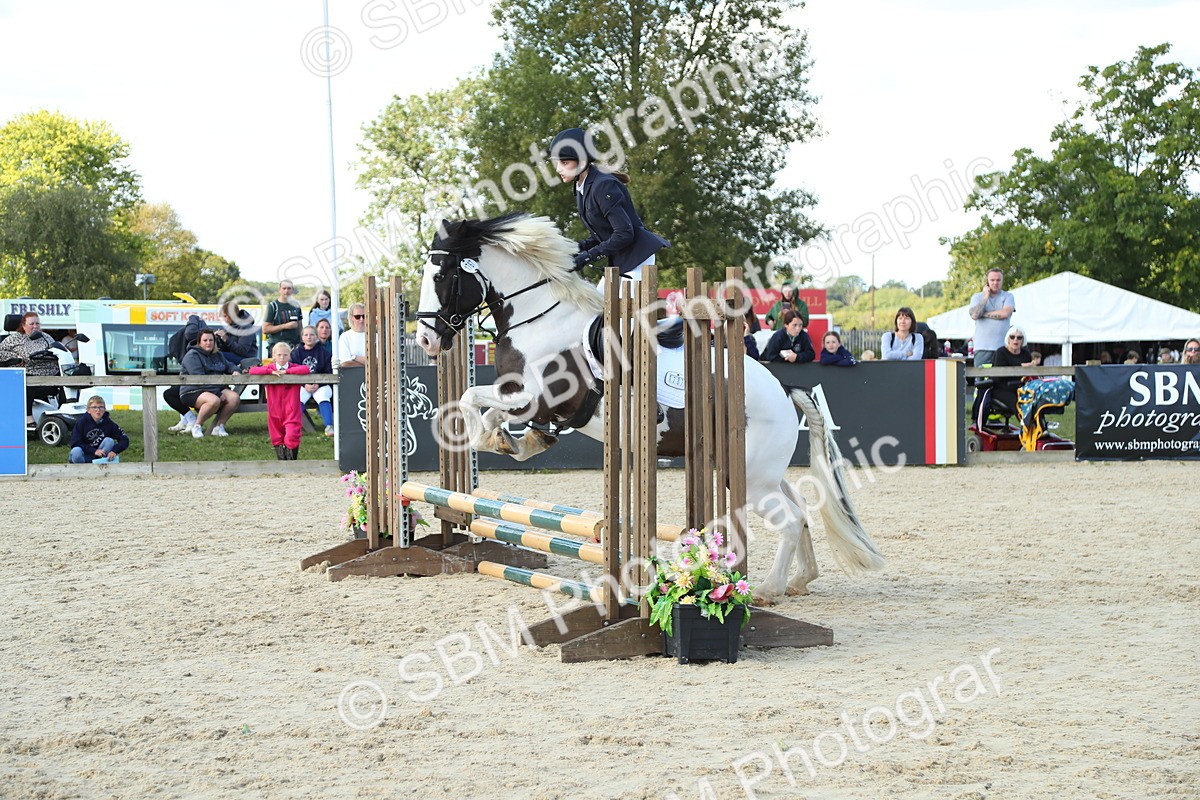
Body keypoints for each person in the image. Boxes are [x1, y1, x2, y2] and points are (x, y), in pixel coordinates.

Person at [550, 127, 670, 287]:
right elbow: (602, 234)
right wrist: (574, 248)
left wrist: (588, 257)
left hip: (636, 259)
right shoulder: (581, 188)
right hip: (619, 260)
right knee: (597, 308)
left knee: (622, 311)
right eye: (557, 163)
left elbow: (624, 233)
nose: (558, 169)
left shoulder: (603, 185)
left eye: (564, 162)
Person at [250, 343, 310, 459]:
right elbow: (253, 371)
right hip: (274, 410)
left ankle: (291, 462)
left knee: (292, 435)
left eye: (285, 355)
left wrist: (287, 373)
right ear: (274, 356)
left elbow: (305, 369)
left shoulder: (293, 368)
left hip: (291, 409)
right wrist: (270, 372)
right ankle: (282, 463)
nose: (282, 358)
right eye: (279, 355)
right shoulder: (270, 368)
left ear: (289, 356)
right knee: (277, 437)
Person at [0, 312, 61, 424]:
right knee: (26, 388)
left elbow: (58, 350)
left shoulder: (46, 337)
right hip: (28, 374)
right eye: (31, 323)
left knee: (67, 381)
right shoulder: (14, 339)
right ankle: (28, 418)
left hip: (51, 374)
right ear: (23, 325)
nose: (35, 326)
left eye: (37, 323)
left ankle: (62, 413)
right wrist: (15, 357)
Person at [180, 329, 242, 439]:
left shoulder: (218, 355)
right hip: (193, 389)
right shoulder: (192, 356)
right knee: (214, 400)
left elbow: (229, 365)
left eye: (211, 340)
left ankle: (219, 427)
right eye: (205, 340)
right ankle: (197, 426)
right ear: (199, 343)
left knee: (234, 398)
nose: (208, 343)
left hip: (215, 388)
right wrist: (217, 393)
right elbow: (199, 379)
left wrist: (235, 370)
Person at [967, 268, 1016, 366]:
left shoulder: (1008, 296)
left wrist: (984, 314)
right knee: (981, 380)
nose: (995, 283)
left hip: (1003, 348)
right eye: (992, 280)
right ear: (987, 282)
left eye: (998, 280)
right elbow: (975, 314)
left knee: (1001, 379)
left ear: (1002, 281)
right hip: (982, 347)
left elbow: (1005, 313)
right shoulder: (977, 297)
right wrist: (985, 297)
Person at [292, 325, 335, 436]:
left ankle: (329, 427)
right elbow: (293, 371)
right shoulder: (296, 353)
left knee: (322, 397)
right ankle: (293, 427)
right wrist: (304, 384)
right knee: (298, 398)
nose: (309, 337)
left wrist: (318, 383)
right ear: (302, 338)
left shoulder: (324, 353)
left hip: (321, 385)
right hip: (303, 385)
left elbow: (328, 372)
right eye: (306, 335)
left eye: (312, 334)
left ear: (316, 336)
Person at [68, 396, 129, 464]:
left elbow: (124, 439)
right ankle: (80, 471)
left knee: (109, 441)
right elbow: (75, 443)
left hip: (99, 456)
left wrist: (115, 451)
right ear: (88, 410)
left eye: (101, 407)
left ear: (104, 409)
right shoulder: (81, 422)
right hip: (83, 456)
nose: (98, 410)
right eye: (94, 407)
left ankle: (103, 465)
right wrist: (94, 451)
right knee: (76, 451)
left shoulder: (109, 423)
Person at [988, 325, 1033, 410]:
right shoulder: (1000, 352)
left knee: (1034, 399)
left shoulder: (1026, 354)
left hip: (1020, 387)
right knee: (1017, 402)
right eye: (1012, 337)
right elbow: (998, 376)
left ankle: (1038, 422)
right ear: (1008, 339)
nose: (1015, 340)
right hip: (1001, 388)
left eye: (1019, 338)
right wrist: (1020, 367)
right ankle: (1026, 422)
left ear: (1023, 340)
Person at [214, 300, 260, 369]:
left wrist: (226, 338)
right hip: (236, 356)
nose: (224, 319)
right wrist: (218, 339)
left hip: (246, 359)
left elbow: (242, 350)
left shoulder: (246, 328)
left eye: (225, 316)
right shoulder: (232, 327)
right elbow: (227, 348)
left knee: (218, 356)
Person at [263, 279, 304, 350]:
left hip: (295, 345)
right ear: (280, 290)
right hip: (277, 346)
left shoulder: (296, 305)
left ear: (293, 290)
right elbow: (265, 329)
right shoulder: (273, 306)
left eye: (289, 288)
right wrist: (285, 326)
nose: (286, 291)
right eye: (284, 288)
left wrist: (303, 342)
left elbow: (300, 326)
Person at [338, 303, 368, 368]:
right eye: (357, 316)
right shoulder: (345, 337)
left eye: (364, 316)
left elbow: (377, 361)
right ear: (351, 318)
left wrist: (354, 357)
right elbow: (344, 363)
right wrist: (367, 363)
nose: (361, 319)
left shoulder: (375, 336)